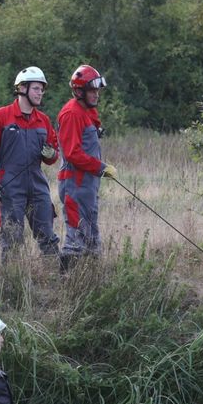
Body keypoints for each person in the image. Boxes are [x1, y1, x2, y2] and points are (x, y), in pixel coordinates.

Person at [0, 66, 61, 262]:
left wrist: (51, 154)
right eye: (36, 88)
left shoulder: (43, 120)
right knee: (12, 237)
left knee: (48, 236)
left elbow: (52, 156)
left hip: (37, 184)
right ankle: (12, 283)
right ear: (22, 89)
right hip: (10, 186)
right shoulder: (1, 116)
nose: (40, 92)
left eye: (42, 89)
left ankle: (54, 280)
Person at [57, 64, 116, 273]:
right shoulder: (72, 113)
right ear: (79, 91)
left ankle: (92, 284)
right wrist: (101, 167)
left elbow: (92, 123)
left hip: (87, 186)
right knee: (76, 238)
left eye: (97, 90)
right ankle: (67, 288)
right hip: (75, 184)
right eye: (92, 90)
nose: (97, 94)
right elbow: (72, 153)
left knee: (91, 238)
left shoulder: (85, 111)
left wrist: (97, 128)